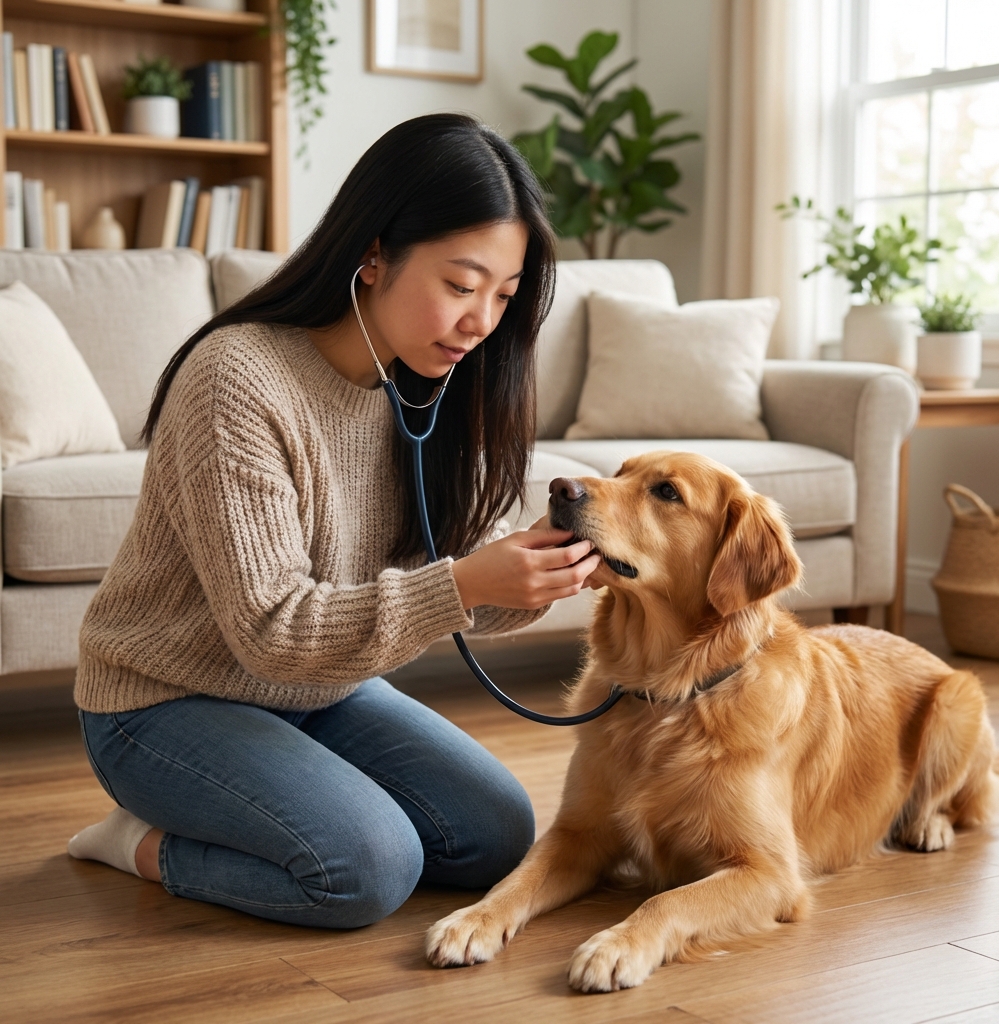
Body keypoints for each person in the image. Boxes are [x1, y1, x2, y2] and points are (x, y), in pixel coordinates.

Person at [67, 113, 601, 928]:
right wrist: (466, 583)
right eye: (462, 286)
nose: (482, 323)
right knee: (367, 867)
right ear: (373, 255)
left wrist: (531, 575)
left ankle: (280, 791)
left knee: (495, 833)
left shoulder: (424, 383)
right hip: (160, 703)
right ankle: (138, 841)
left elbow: (439, 583)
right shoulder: (237, 379)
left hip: (317, 689)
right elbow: (272, 631)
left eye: (504, 294)